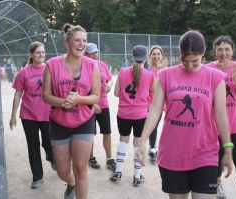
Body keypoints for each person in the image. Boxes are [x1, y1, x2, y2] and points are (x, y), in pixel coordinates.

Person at [137, 30, 233, 199]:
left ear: (203, 55)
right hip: (172, 154)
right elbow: (155, 110)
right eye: (184, 60)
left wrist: (228, 149)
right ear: (178, 54)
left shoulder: (215, 77)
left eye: (195, 61)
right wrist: (143, 140)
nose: (189, 65)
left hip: (205, 153)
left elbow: (221, 116)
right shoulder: (165, 75)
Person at [42, 23, 101, 199]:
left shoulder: (92, 65)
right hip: (59, 122)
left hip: (84, 121)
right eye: (77, 40)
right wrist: (63, 102)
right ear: (67, 42)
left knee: (81, 168)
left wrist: (79, 99)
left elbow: (96, 96)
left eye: (84, 40)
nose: (81, 44)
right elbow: (46, 96)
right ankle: (71, 183)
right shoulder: (52, 64)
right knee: (62, 170)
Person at [206, 36, 236, 199]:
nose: (223, 53)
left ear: (233, 51)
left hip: (235, 119)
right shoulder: (209, 68)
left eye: (227, 49)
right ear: (214, 51)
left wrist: (235, 77)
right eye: (219, 49)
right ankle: (218, 185)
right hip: (215, 120)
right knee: (217, 155)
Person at [9, 41, 55, 189]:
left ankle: (51, 156)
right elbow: (18, 94)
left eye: (43, 52)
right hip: (29, 115)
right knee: (33, 145)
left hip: (47, 114)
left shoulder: (50, 69)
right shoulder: (24, 72)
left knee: (48, 142)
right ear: (31, 54)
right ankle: (37, 177)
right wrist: (13, 115)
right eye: (38, 52)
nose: (41, 55)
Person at [110, 45, 155, 187]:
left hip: (123, 114)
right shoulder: (149, 75)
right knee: (138, 144)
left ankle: (118, 171)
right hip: (140, 115)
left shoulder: (123, 71)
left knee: (123, 141)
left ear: (132, 56)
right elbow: (155, 91)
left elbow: (116, 93)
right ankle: (137, 177)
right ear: (145, 57)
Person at [84, 43, 116, 171]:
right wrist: (93, 103)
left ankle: (109, 158)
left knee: (107, 131)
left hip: (103, 104)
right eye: (91, 53)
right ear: (85, 54)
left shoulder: (101, 64)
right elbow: (82, 88)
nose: (94, 55)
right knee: (90, 133)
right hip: (90, 105)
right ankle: (90, 157)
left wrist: (109, 84)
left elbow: (110, 78)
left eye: (95, 52)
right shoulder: (83, 66)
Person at [146, 45, 168, 161]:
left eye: (158, 54)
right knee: (153, 124)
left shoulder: (165, 70)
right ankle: (152, 148)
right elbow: (150, 87)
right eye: (154, 54)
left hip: (163, 101)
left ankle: (152, 146)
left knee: (158, 125)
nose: (156, 56)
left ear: (161, 56)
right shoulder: (148, 70)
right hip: (151, 101)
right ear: (150, 56)